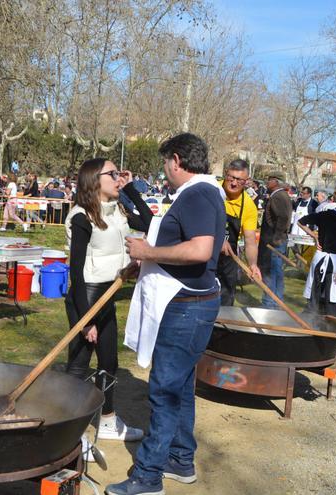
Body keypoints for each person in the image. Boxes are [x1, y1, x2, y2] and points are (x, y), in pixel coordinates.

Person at [110, 133, 225, 495]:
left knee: (164, 391)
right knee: (180, 389)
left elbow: (201, 250)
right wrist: (146, 261)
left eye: (165, 163)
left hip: (187, 309)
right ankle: (180, 458)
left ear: (177, 160)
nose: (165, 170)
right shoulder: (201, 194)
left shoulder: (198, 194)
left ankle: (147, 476)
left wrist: (149, 252)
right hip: (190, 304)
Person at [65, 159, 152, 449]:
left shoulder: (118, 211)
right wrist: (85, 319)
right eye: (113, 174)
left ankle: (107, 421)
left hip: (109, 294)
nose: (118, 177)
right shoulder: (81, 217)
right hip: (87, 296)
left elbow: (151, 225)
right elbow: (75, 272)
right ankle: (68, 431)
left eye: (119, 174)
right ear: (94, 179)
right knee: (78, 366)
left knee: (109, 362)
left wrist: (132, 190)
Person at [295, 190, 336, 316]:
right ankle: (330, 327)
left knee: (314, 296)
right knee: (332, 300)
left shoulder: (324, 214)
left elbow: (300, 222)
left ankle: (309, 322)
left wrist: (315, 237)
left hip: (320, 259)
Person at [217, 159, 261, 305]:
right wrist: (217, 239)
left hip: (228, 261)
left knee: (225, 302)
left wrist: (253, 264)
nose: (234, 183)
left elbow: (250, 241)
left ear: (246, 181)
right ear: (225, 174)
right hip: (203, 256)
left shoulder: (248, 206)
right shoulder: (212, 191)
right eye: (231, 178)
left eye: (240, 180)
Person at [257, 178, 292, 308]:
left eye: (269, 180)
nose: (266, 183)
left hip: (274, 241)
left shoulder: (278, 196)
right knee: (276, 272)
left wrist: (276, 237)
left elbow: (283, 218)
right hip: (276, 239)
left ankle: (270, 303)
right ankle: (276, 302)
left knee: (271, 272)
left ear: (275, 182)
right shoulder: (281, 195)